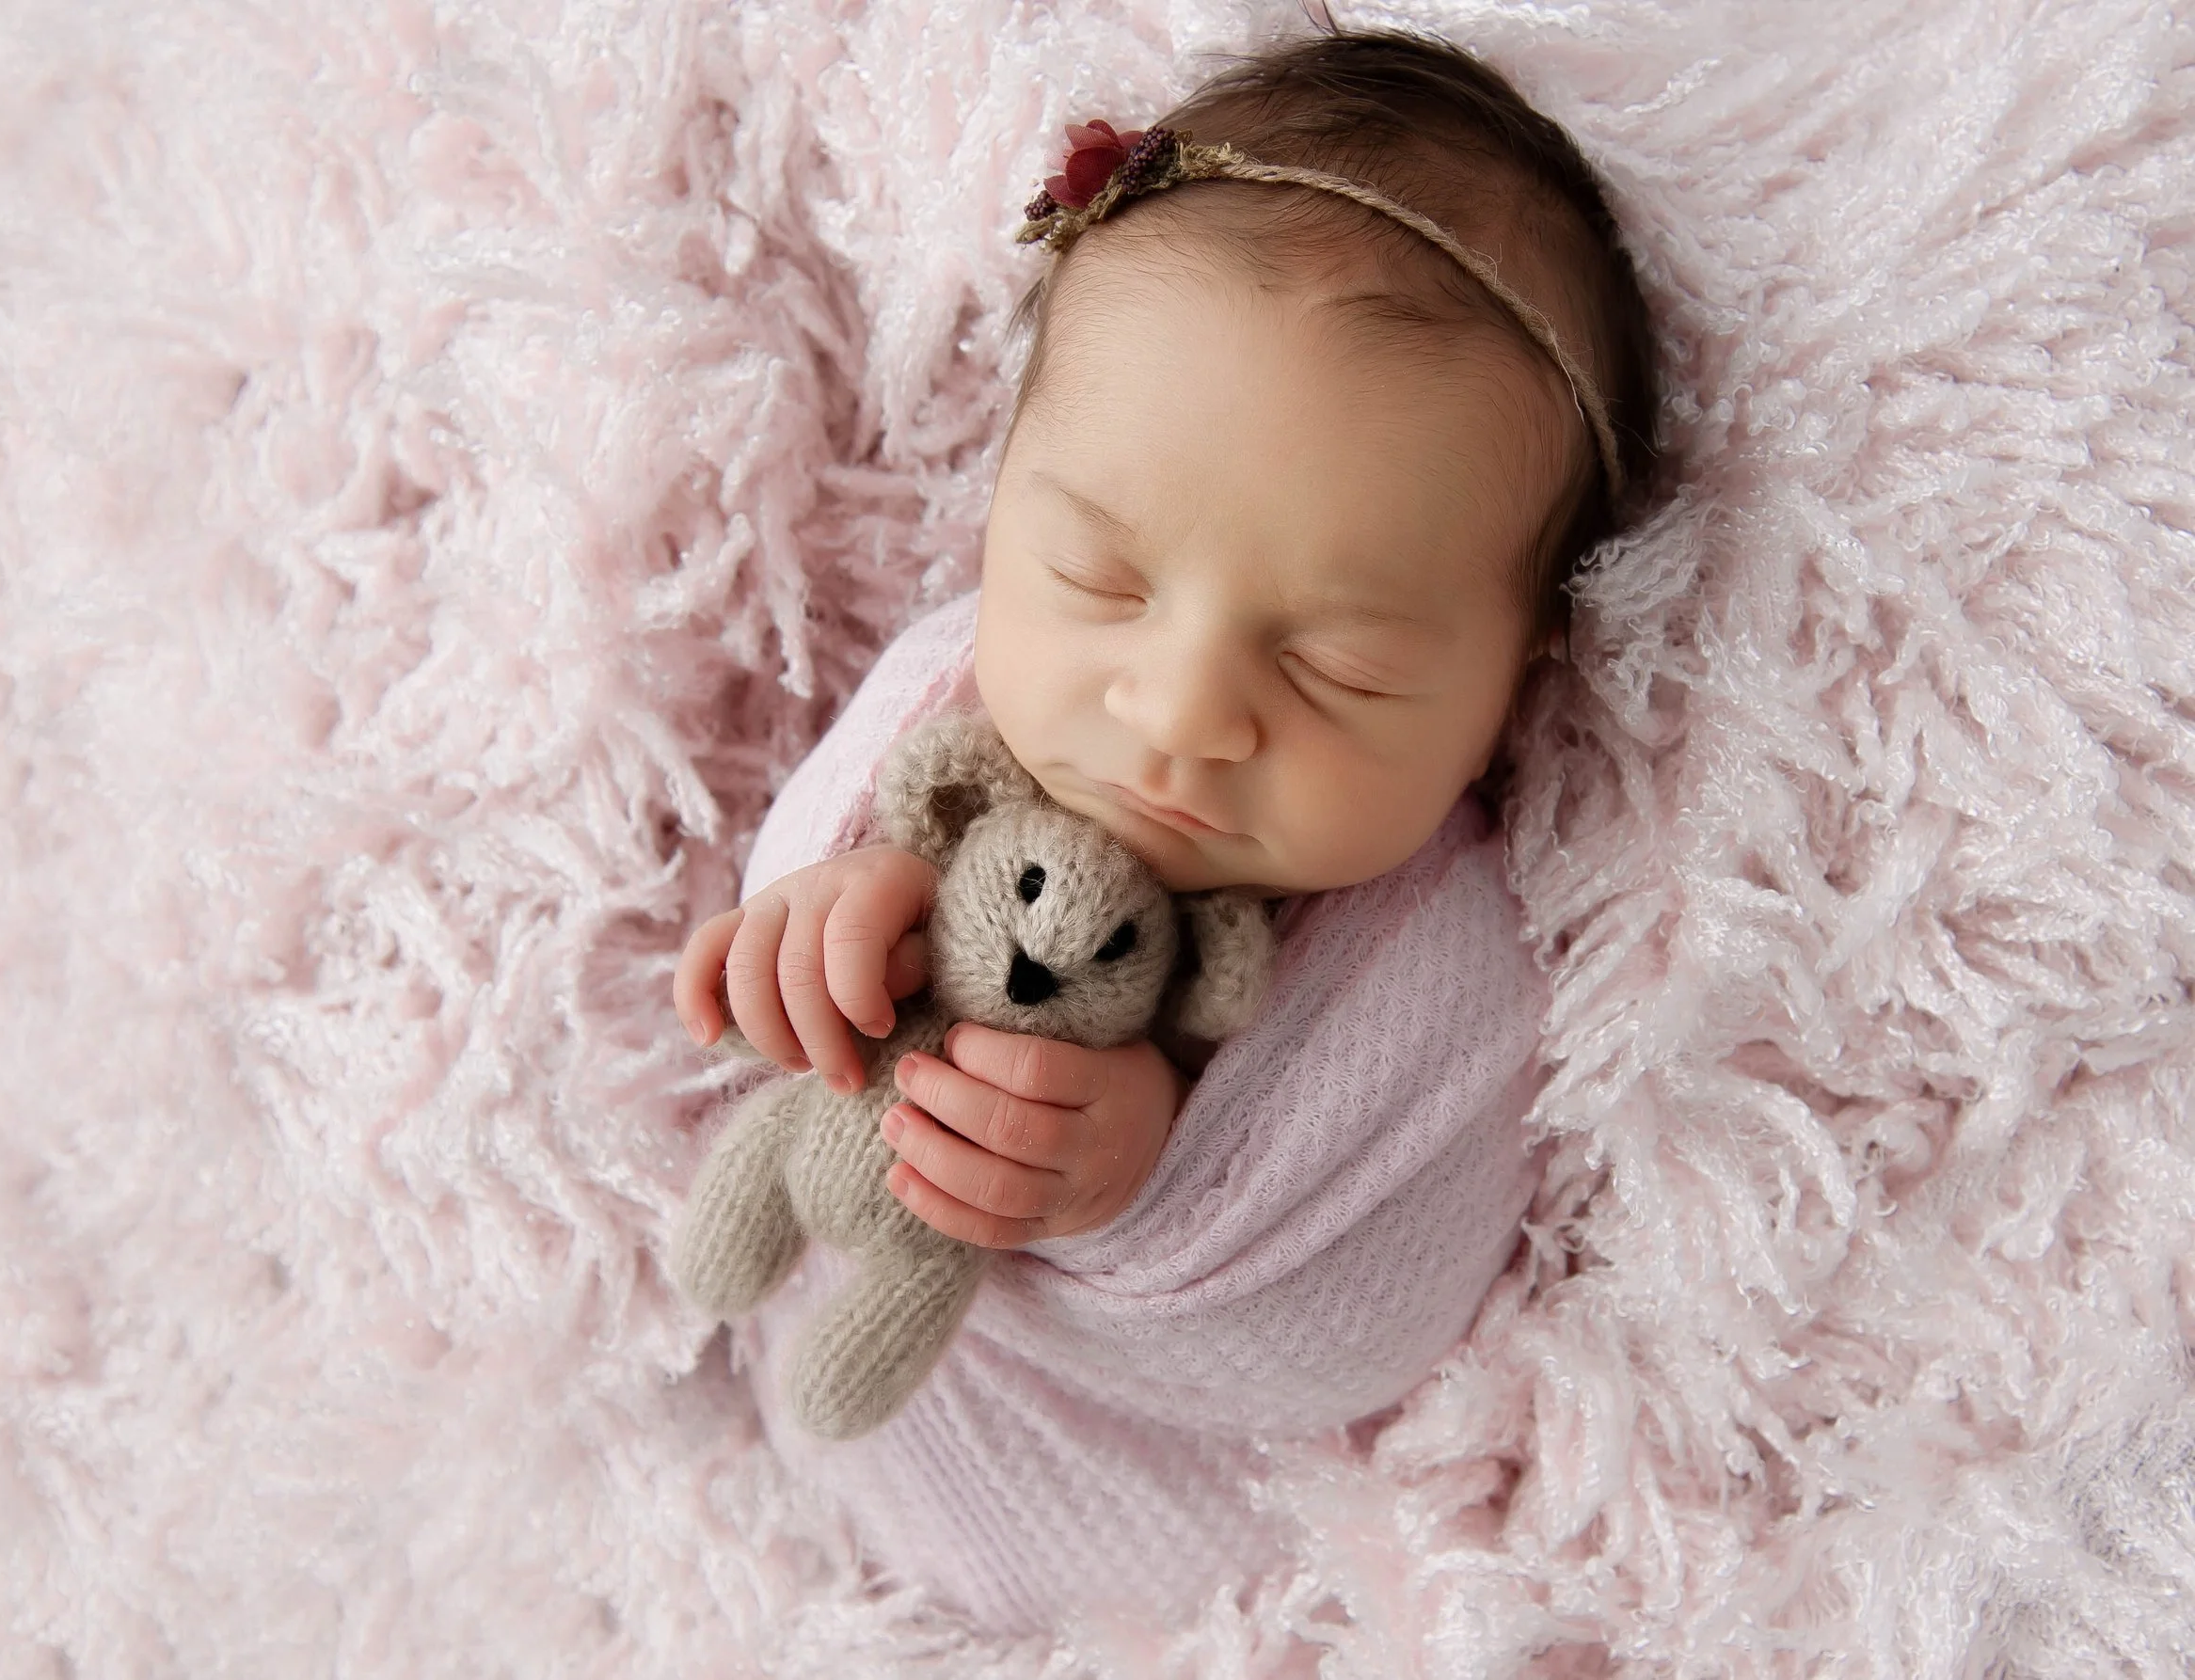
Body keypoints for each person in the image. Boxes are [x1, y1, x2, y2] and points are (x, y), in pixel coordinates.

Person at [671, 23, 1660, 1633]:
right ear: (1006, 501)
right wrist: (811, 928)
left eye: (1337, 665)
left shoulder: (1432, 960)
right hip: (788, 1476)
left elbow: (1387, 1313)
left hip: (1174, 1578)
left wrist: (1139, 1180)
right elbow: (792, 938)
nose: (1188, 710)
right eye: (1102, 581)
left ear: (1515, 670)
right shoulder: (951, 714)